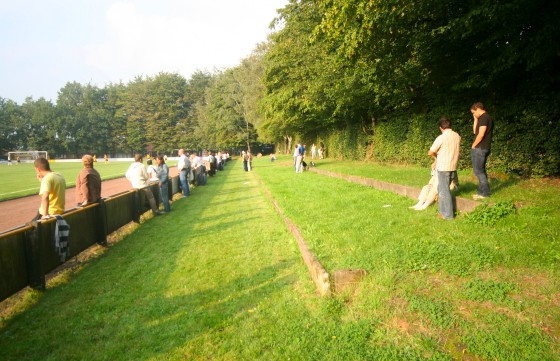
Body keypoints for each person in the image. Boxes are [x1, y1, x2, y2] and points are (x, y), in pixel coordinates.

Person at [428, 117, 461, 220]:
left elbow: (430, 152)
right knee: (441, 189)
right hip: (453, 166)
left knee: (444, 191)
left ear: (441, 128)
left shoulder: (441, 137)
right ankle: (442, 212)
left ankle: (448, 215)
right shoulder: (457, 136)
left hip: (443, 167)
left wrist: (435, 158)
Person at [470, 102, 494, 200]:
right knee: (480, 171)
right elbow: (475, 132)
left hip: (480, 148)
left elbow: (481, 134)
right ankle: (481, 193)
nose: (473, 114)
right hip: (482, 148)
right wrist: (475, 119)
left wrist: (474, 145)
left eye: (473, 112)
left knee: (479, 171)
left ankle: (484, 193)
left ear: (478, 109)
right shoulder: (481, 118)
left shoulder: (485, 118)